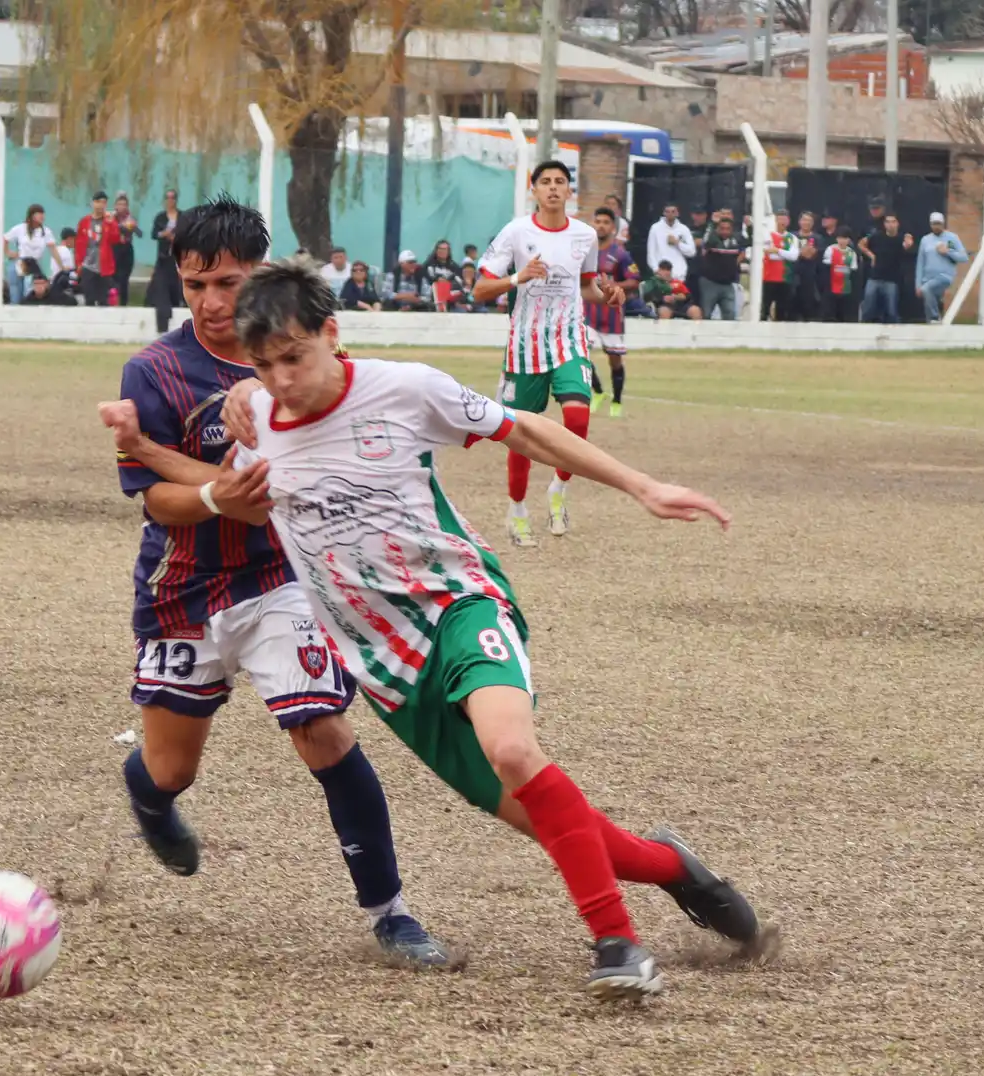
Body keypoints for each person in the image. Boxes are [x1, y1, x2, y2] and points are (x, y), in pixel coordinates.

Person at [181, 258, 761, 1000]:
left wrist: (643, 486)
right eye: (263, 366)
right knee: (549, 820)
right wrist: (220, 460)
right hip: (387, 668)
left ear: (332, 334)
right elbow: (245, 504)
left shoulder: (406, 389)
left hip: (460, 604)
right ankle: (674, 868)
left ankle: (619, 944)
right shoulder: (254, 417)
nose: (282, 380)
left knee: (513, 746)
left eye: (294, 357)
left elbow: (529, 433)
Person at [95, 195, 450, 967]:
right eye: (195, 286)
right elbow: (160, 501)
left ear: (261, 272)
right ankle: (150, 799)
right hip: (182, 588)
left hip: (279, 579)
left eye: (227, 282)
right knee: (169, 767)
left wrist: (195, 458)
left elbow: (299, 477)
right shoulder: (153, 370)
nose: (213, 303)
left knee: (321, 729)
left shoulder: (294, 356)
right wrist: (212, 489)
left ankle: (392, 915)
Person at [473, 159, 625, 548]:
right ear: (534, 190)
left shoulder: (585, 235)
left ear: (569, 191)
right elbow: (479, 289)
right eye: (546, 182)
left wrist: (608, 296)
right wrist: (516, 277)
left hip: (569, 340)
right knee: (521, 434)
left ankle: (558, 487)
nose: (553, 188)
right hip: (524, 346)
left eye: (560, 182)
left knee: (578, 415)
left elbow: (588, 287)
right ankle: (517, 510)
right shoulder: (516, 232)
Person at [586, 206, 640, 419]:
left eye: (605, 222)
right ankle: (597, 392)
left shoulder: (620, 254)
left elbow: (634, 280)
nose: (600, 225)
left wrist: (614, 285)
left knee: (614, 360)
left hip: (611, 315)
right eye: (597, 221)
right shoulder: (585, 251)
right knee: (579, 354)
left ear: (613, 228)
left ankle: (616, 400)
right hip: (587, 312)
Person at [858, 213, 912, 324]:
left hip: (892, 279)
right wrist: (872, 256)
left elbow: (908, 244)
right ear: (884, 224)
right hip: (874, 277)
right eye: (888, 222)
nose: (890, 224)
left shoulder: (901, 238)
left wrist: (908, 241)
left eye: (893, 222)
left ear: (897, 223)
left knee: (891, 310)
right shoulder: (877, 236)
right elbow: (861, 244)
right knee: (868, 306)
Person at [915, 212, 968, 323]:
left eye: (938, 224)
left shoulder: (950, 239)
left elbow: (963, 257)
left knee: (927, 290)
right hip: (928, 278)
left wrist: (947, 252)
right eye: (934, 224)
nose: (936, 226)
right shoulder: (926, 240)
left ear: (943, 224)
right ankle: (931, 323)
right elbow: (920, 262)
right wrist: (918, 284)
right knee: (929, 296)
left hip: (944, 276)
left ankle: (934, 318)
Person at [696, 215, 745, 320]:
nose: (725, 232)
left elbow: (749, 243)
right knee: (706, 314)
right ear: (717, 229)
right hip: (710, 283)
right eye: (722, 228)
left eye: (728, 229)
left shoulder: (735, 241)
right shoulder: (713, 239)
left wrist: (750, 227)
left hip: (727, 285)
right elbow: (706, 240)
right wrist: (713, 224)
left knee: (730, 314)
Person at [4, 204, 53, 306]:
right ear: (32, 215)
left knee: (29, 294)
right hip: (21, 263)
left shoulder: (45, 231)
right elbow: (5, 239)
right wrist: (8, 252)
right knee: (16, 294)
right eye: (39, 214)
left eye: (43, 214)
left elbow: (52, 247)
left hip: (34, 265)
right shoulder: (20, 228)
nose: (42, 216)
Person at [75, 191, 119, 306]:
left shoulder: (109, 221)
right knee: (89, 299)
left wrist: (110, 223)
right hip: (87, 266)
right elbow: (79, 244)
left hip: (104, 267)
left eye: (104, 202)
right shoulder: (84, 222)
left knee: (103, 300)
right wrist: (79, 263)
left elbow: (115, 239)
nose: (101, 205)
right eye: (98, 202)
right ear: (92, 203)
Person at [149, 189, 183, 333]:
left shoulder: (182, 216)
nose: (170, 201)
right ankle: (162, 325)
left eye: (173, 198)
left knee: (178, 289)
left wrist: (176, 237)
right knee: (161, 289)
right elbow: (154, 234)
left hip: (178, 260)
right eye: (168, 198)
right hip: (163, 259)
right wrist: (165, 234)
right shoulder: (160, 217)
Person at [759, 210, 799, 322]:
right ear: (776, 220)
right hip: (768, 277)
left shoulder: (792, 238)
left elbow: (793, 256)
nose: (782, 222)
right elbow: (768, 253)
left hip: (785, 278)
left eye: (785, 219)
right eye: (780, 219)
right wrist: (783, 253)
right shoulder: (768, 235)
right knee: (764, 309)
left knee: (782, 311)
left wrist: (777, 250)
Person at [645, 203, 696, 284]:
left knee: (678, 296)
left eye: (673, 211)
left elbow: (692, 252)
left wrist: (677, 243)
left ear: (677, 213)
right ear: (664, 213)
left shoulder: (684, 229)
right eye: (667, 211)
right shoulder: (655, 228)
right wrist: (656, 270)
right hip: (660, 275)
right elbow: (651, 253)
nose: (670, 214)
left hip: (679, 275)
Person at [821, 225, 861, 323]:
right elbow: (826, 268)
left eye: (845, 238)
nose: (842, 241)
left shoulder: (852, 253)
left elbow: (853, 271)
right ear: (837, 238)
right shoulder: (830, 249)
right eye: (840, 238)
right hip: (832, 287)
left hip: (846, 288)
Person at [111, 193, 142, 306]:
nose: (122, 207)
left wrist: (134, 227)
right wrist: (120, 227)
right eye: (119, 204)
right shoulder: (110, 218)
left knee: (124, 278)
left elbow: (140, 234)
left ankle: (123, 304)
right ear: (115, 206)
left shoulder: (130, 219)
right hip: (114, 249)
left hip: (126, 250)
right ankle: (113, 302)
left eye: (124, 204)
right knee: (113, 278)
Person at [422, 240, 461, 309]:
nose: (442, 251)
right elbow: (426, 279)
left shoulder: (454, 267)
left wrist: (447, 283)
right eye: (440, 249)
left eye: (445, 249)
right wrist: (437, 280)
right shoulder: (428, 265)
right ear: (436, 250)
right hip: (432, 298)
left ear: (448, 251)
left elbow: (459, 282)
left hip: (450, 299)